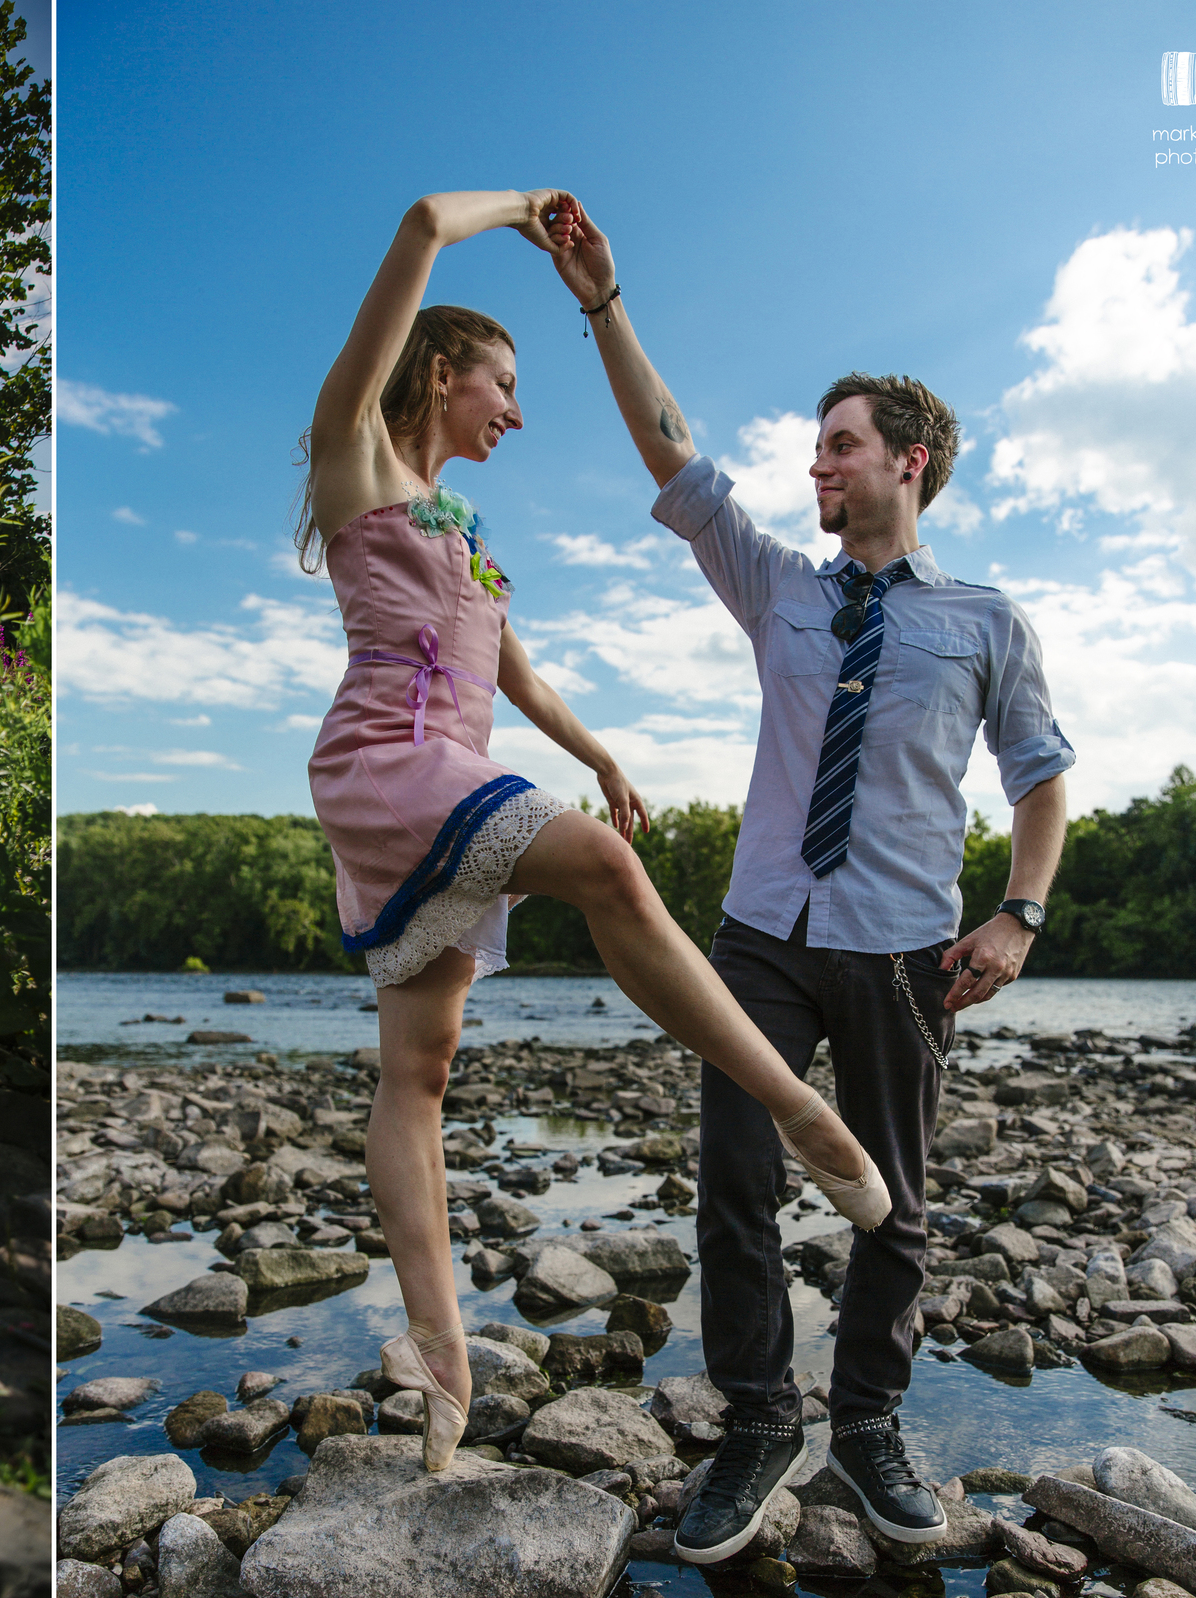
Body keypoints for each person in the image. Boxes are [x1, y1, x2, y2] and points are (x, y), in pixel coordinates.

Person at [300, 188, 893, 1486]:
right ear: (444, 371)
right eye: (503, 385)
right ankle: (796, 1104)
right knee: (610, 871)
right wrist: (519, 215)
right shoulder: (353, 456)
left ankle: (441, 1355)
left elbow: (515, 674)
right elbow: (409, 226)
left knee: (420, 1072)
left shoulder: (470, 532)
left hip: (449, 772)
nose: (516, 409)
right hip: (389, 768)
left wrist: (604, 752)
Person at [544, 197, 1073, 1563]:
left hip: (907, 949)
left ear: (910, 460)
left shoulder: (985, 622)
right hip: (760, 935)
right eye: (816, 444)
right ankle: (761, 1418)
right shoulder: (776, 582)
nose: (816, 461)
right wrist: (604, 301)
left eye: (839, 442)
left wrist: (1018, 912)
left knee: (893, 1196)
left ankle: (872, 1422)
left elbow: (1041, 775)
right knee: (732, 1172)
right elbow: (676, 451)